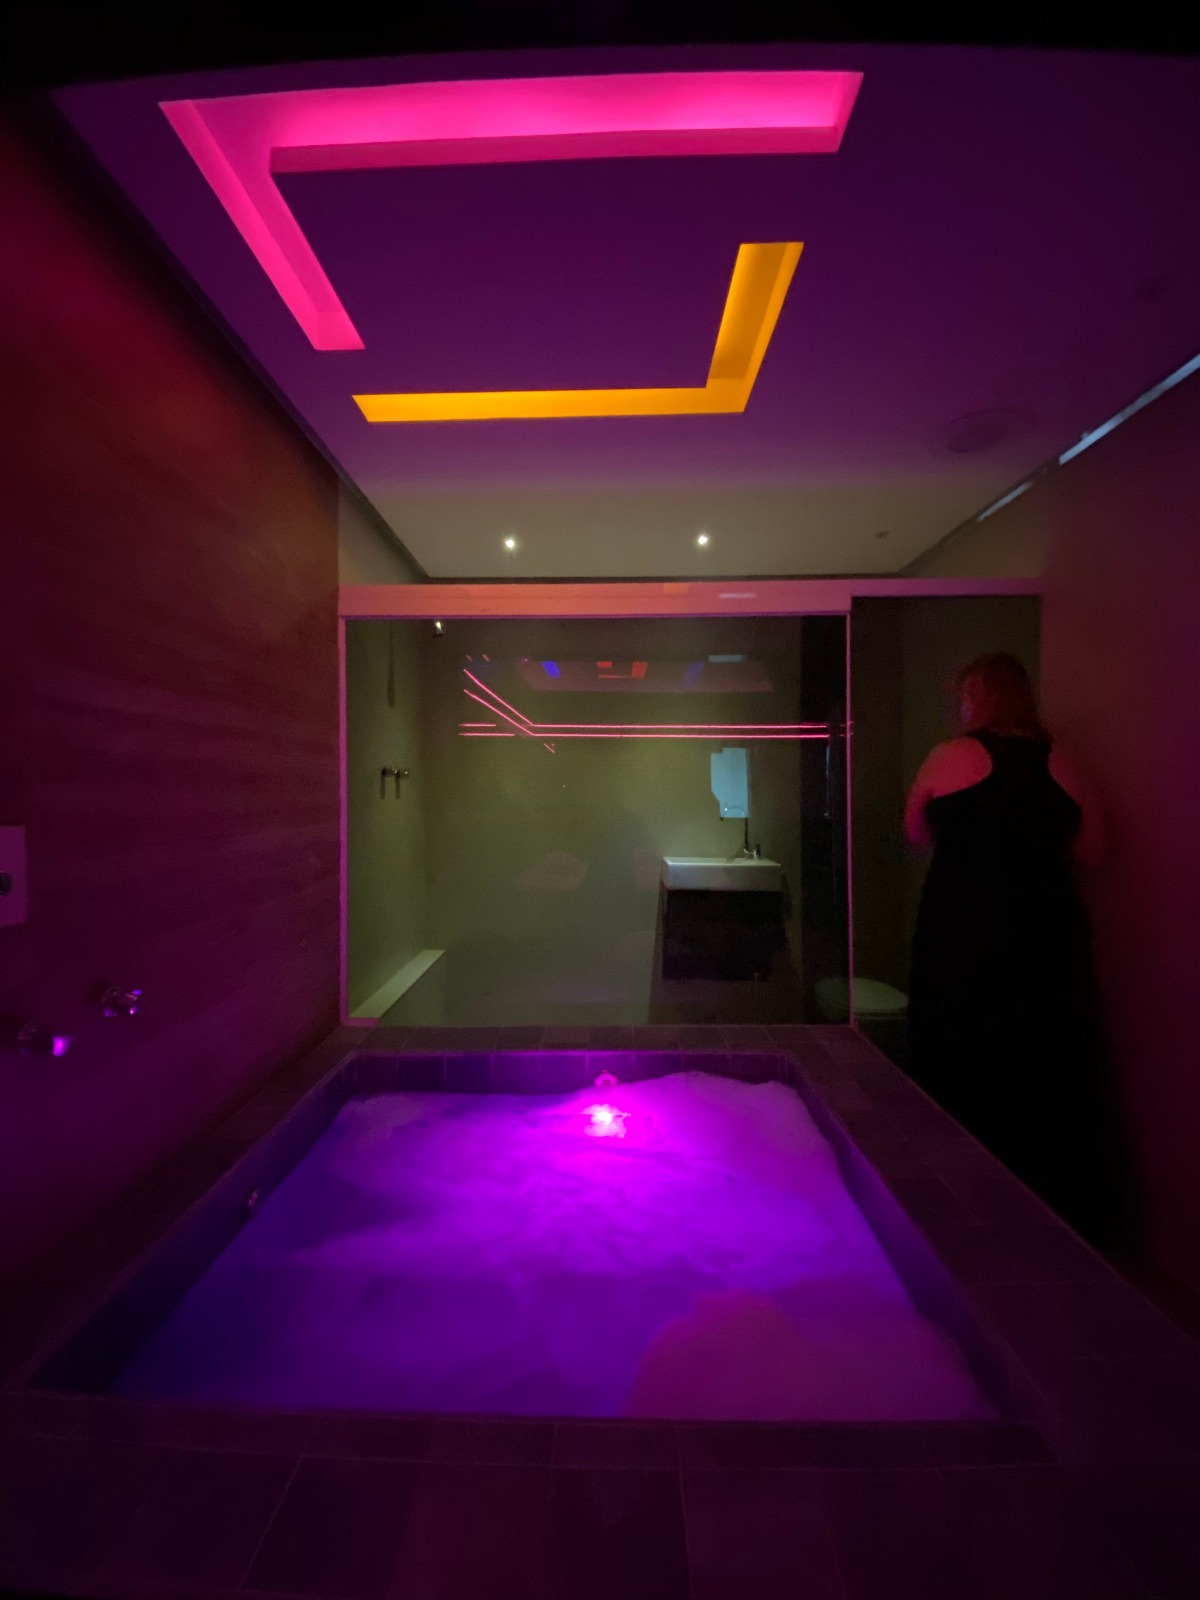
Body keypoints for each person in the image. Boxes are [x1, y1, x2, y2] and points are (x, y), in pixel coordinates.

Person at [903, 652, 1126, 1248]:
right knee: (1044, 1064)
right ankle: (1051, 1218)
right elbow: (1095, 850)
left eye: (966, 694)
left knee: (959, 1052)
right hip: (1044, 935)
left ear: (982, 697)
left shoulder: (950, 756)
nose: (961, 705)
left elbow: (915, 831)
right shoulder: (1063, 765)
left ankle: (957, 1215)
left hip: (962, 929)